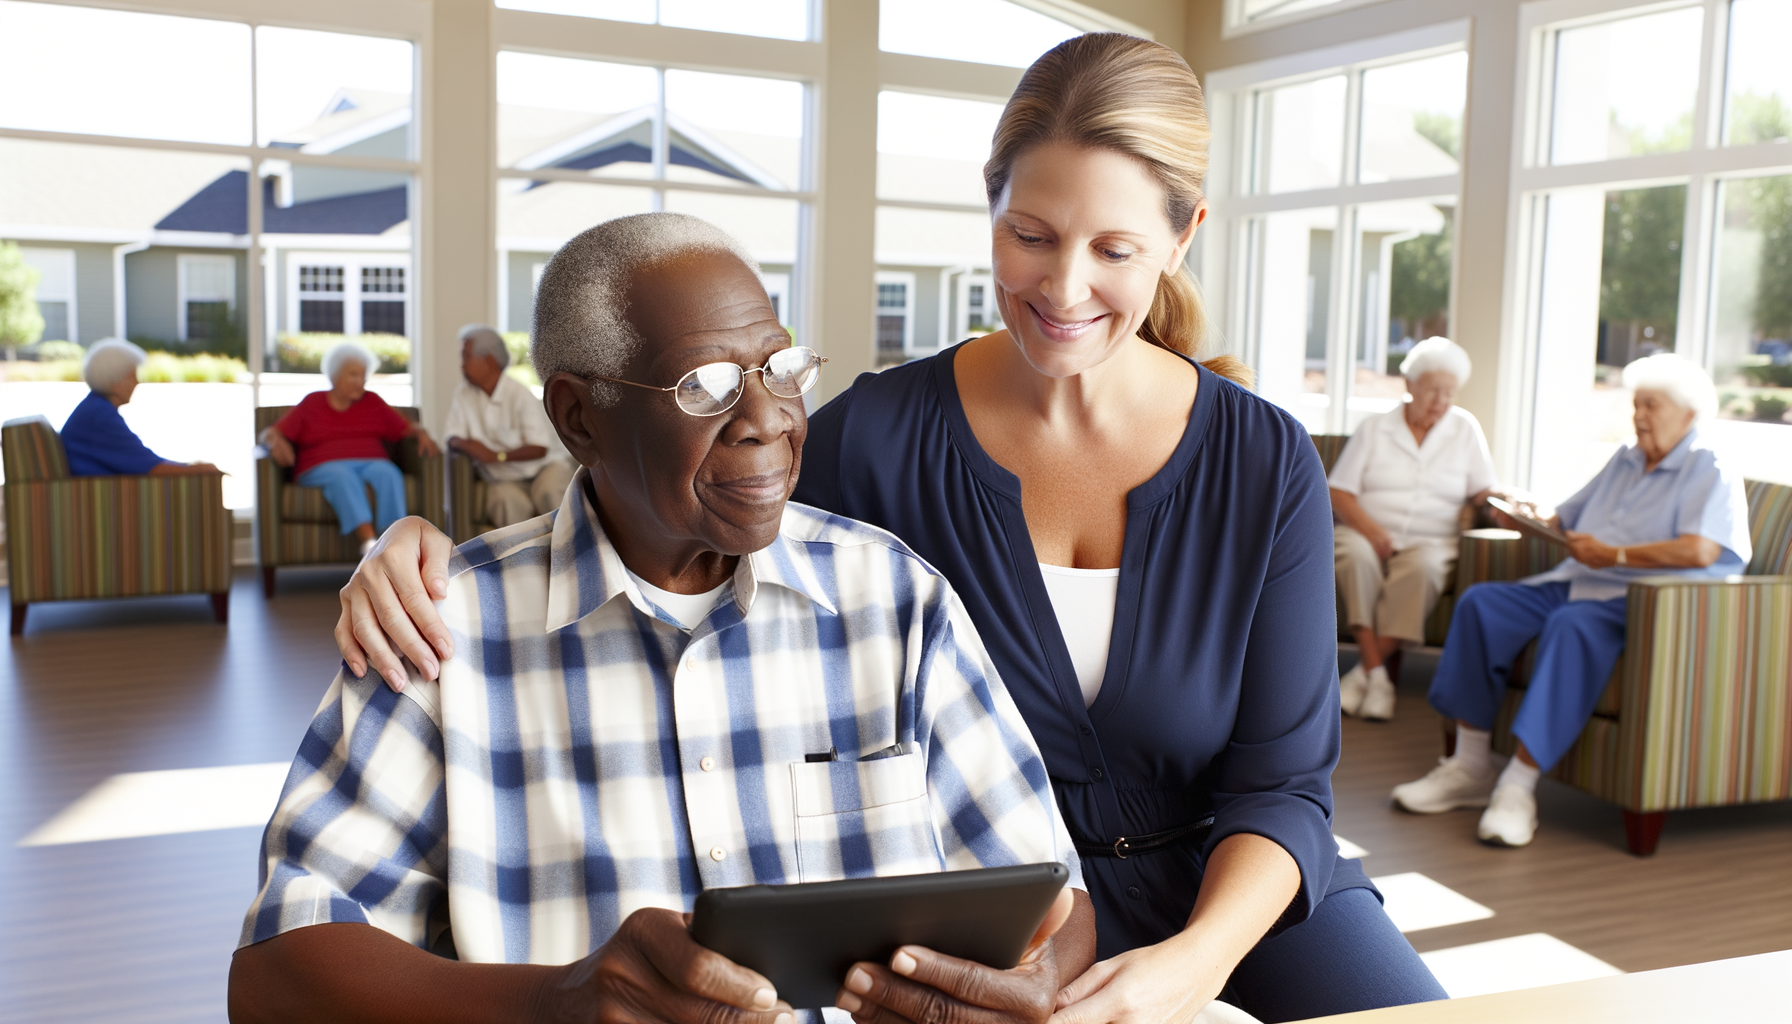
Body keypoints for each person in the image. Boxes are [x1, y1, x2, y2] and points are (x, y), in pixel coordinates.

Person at [326, 36, 1446, 1024]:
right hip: (1005, 908)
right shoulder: (868, 438)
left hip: (1236, 893)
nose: (1063, 286)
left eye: (1113, 248)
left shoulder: (1261, 458)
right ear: (991, 211)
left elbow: (1283, 786)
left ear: (1182, 235)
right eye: (1031, 234)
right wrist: (420, 541)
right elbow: (672, 533)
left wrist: (1191, 965)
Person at [229, 214, 1093, 1024]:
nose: (767, 421)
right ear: (578, 417)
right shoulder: (442, 629)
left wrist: (1039, 982)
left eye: (780, 368)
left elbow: (1052, 895)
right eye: (706, 386)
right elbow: (272, 974)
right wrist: (554, 1003)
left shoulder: (894, 598)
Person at [1392, 353, 1751, 847]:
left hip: (1651, 603)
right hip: (1582, 580)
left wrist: (1615, 553)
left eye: (1652, 405)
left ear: (1690, 413)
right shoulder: (1627, 457)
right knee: (1481, 605)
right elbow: (1567, 517)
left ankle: (1518, 787)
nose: (1639, 416)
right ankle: (1469, 766)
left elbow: (1700, 548)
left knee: (1572, 625)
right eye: (1636, 404)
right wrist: (1526, 513)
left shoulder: (1707, 464)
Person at [1328, 337, 1498, 721]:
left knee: (1425, 570)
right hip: (1365, 533)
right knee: (1354, 557)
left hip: (1431, 540)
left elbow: (1484, 490)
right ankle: (1379, 677)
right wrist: (1372, 532)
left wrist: (1505, 501)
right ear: (1410, 385)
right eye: (1433, 391)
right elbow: (1339, 490)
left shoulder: (1464, 429)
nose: (1441, 401)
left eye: (1449, 393)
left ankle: (1363, 675)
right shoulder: (1375, 428)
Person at [256, 342, 439, 557]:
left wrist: (422, 434)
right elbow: (271, 432)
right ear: (334, 376)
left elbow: (406, 427)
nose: (360, 381)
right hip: (321, 466)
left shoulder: (372, 402)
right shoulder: (312, 403)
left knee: (388, 473)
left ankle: (394, 545)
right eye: (353, 375)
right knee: (342, 477)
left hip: (371, 462)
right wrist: (272, 441)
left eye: (363, 376)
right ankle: (371, 544)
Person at [444, 323, 574, 529]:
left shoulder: (519, 394)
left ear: (488, 361)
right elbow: (453, 437)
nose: (461, 365)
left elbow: (539, 448)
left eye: (466, 357)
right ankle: (521, 558)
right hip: (504, 479)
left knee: (549, 491)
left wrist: (496, 456)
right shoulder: (464, 394)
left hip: (544, 468)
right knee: (505, 501)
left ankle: (567, 552)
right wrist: (472, 447)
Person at [59, 338, 220, 477]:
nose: (137, 383)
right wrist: (197, 470)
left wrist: (188, 467)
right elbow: (150, 468)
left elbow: (141, 461)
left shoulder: (95, 408)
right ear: (114, 380)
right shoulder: (99, 416)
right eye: (132, 376)